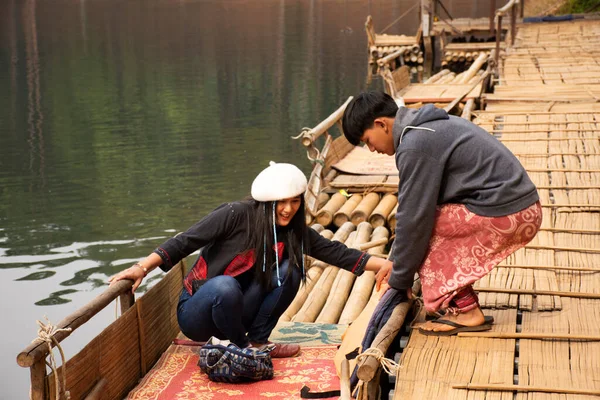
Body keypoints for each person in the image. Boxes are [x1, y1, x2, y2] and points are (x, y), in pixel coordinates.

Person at [109, 161, 392, 356]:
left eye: (295, 201)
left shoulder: (292, 229)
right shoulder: (234, 215)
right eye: (281, 202)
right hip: (200, 312)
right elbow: (185, 240)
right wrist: (141, 268)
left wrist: (384, 264)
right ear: (267, 201)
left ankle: (258, 340)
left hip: (238, 309)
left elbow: (336, 252)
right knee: (224, 286)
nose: (288, 209)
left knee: (293, 269)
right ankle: (243, 347)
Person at [341, 91, 542, 336]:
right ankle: (463, 304)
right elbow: (413, 209)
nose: (371, 149)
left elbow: (414, 219)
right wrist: (397, 261)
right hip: (519, 209)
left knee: (425, 229)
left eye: (368, 140)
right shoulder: (422, 128)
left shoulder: (415, 145)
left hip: (510, 213)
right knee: (420, 228)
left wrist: (399, 281)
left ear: (381, 124)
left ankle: (466, 311)